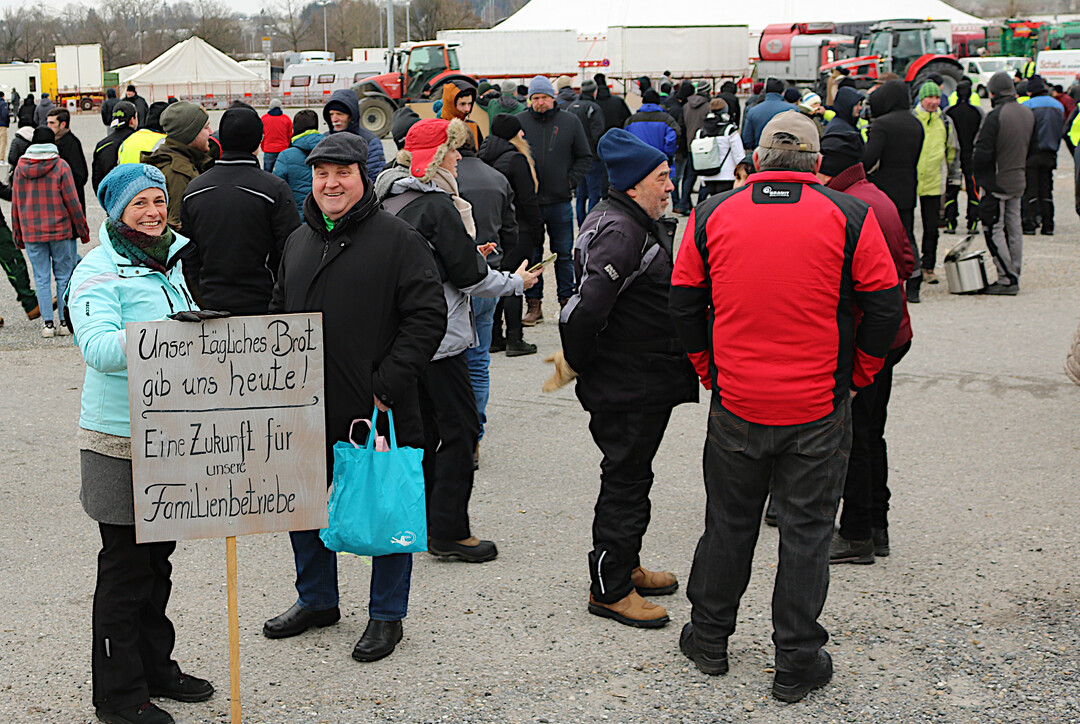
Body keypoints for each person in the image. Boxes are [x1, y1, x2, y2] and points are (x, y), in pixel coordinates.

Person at [669, 112, 902, 702]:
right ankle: (797, 657)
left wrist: (710, 371)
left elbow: (684, 305)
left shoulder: (711, 215)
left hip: (739, 402)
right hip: (817, 407)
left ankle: (711, 638)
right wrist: (858, 377)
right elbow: (884, 309)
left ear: (756, 159)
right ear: (817, 163)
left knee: (728, 523)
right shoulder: (851, 215)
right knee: (806, 531)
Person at [262, 132, 447, 664]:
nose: (330, 183)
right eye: (322, 173)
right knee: (303, 502)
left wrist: (388, 382)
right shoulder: (299, 240)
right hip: (305, 402)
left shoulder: (398, 238)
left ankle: (387, 616)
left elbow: (427, 314)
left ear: (363, 177)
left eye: (342, 172)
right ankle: (316, 600)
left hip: (376, 405)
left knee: (385, 503)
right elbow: (280, 310)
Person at [66, 164, 214, 724]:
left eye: (158, 200)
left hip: (170, 435)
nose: (153, 212)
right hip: (119, 440)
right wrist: (178, 334)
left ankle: (157, 667)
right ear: (116, 212)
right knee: (126, 570)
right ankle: (120, 696)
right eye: (139, 205)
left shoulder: (168, 260)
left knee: (158, 564)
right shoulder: (98, 270)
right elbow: (101, 349)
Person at [548, 127, 698, 629]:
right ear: (634, 185)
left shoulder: (628, 218)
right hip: (629, 382)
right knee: (626, 478)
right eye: (661, 178)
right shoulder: (622, 230)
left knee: (634, 473)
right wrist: (581, 363)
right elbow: (582, 313)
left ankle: (626, 563)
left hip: (642, 379)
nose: (670, 185)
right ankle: (609, 588)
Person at [373, 118, 538, 563]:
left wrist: (464, 254)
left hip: (400, 339)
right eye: (453, 150)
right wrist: (516, 281)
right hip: (439, 339)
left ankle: (421, 522)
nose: (459, 157)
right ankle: (450, 529)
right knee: (462, 430)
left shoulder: (386, 198)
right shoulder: (437, 204)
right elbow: (468, 278)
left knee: (420, 434)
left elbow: (426, 263)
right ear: (435, 158)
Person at [817, 132, 914, 565]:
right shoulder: (874, 195)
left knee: (853, 434)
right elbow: (909, 262)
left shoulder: (851, 206)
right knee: (871, 432)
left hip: (869, 334)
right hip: (890, 333)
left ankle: (857, 530)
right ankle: (875, 524)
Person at [180, 106, 300, 314]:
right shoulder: (274, 189)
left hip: (209, 304)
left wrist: (200, 296)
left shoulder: (194, 190)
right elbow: (290, 254)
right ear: (260, 141)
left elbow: (188, 253)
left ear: (220, 139)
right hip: (262, 304)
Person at [457, 137, 521, 460]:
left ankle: (455, 435)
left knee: (450, 361)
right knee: (480, 360)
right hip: (488, 275)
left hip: (455, 282)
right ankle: (476, 436)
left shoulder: (446, 178)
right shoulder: (497, 178)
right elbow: (511, 230)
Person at [518, 75, 592, 325]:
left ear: (553, 98)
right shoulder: (520, 123)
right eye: (535, 98)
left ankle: (566, 303)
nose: (540, 102)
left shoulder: (570, 122)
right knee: (533, 255)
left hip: (560, 201)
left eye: (544, 98)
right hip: (531, 204)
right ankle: (534, 304)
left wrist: (570, 181)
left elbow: (584, 156)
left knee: (564, 254)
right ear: (530, 100)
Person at [11, 127, 90, 337]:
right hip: (60, 230)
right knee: (64, 275)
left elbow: (16, 204)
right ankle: (64, 322)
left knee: (41, 277)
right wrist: (82, 229)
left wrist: (18, 235)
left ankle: (47, 324)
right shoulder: (61, 166)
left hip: (31, 232)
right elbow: (72, 201)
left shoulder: (20, 167)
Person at [478, 114, 542, 357]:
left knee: (498, 278)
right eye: (519, 131)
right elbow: (528, 200)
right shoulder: (516, 159)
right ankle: (516, 338)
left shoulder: (485, 156)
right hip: (520, 228)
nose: (523, 135)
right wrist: (538, 231)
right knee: (516, 281)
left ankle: (495, 336)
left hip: (496, 227)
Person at [974, 71, 1035, 296]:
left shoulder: (995, 116)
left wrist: (980, 178)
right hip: (1018, 178)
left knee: (993, 228)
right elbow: (1033, 147)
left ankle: (1006, 277)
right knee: (1014, 227)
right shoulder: (1027, 113)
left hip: (997, 182)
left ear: (993, 93)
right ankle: (1014, 272)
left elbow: (982, 153)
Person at [864, 79, 924, 302]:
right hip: (909, 183)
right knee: (907, 233)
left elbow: (869, 158)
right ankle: (915, 279)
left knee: (883, 235)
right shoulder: (915, 123)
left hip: (884, 187)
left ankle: (888, 279)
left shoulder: (882, 125)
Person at [912, 81, 959, 287]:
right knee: (905, 226)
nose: (933, 102)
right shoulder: (912, 119)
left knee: (932, 227)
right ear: (921, 99)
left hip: (934, 181)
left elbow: (952, 150)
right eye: (929, 97)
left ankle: (928, 266)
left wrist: (952, 176)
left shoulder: (945, 121)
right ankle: (910, 266)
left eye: (937, 98)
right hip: (911, 179)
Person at [141, 101, 213, 231]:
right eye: (206, 127)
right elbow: (175, 227)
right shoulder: (179, 173)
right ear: (190, 133)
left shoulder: (182, 161)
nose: (211, 132)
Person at [1021, 75, 1064, 236]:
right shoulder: (1058, 106)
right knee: (1046, 189)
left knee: (1031, 189)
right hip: (1050, 153)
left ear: (1031, 90)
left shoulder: (1027, 105)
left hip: (1032, 153)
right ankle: (1048, 225)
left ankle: (1030, 224)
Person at [945, 79, 984, 235]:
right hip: (971, 154)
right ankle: (972, 222)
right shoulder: (978, 112)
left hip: (953, 153)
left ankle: (950, 222)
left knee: (951, 187)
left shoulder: (948, 112)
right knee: (973, 188)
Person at [323, 89, 385, 182]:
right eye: (331, 114)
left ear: (351, 116)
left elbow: (375, 177)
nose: (334, 119)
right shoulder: (324, 140)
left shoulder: (370, 141)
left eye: (340, 114)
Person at [273, 109, 324, 220]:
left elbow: (276, 189)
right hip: (326, 217)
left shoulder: (286, 156)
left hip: (297, 218)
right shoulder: (329, 149)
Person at [567, 79, 606, 223]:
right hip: (592, 157)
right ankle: (592, 222)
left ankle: (581, 221)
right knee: (594, 192)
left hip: (575, 157)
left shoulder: (571, 107)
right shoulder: (593, 108)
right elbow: (598, 133)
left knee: (580, 193)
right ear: (594, 91)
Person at [694, 99, 744, 200]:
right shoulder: (729, 130)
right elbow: (738, 154)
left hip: (707, 175)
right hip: (727, 175)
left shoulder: (701, 132)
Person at [624, 89, 679, 181]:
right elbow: (672, 137)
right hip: (659, 160)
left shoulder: (631, 120)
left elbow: (625, 140)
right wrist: (668, 153)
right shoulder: (667, 119)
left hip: (638, 162)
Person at [675, 85, 710, 214]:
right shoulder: (708, 106)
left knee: (689, 177)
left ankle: (683, 203)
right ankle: (701, 205)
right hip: (706, 145)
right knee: (706, 176)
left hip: (691, 145)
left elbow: (681, 126)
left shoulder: (686, 106)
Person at [46, 108, 89, 212]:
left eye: (52, 123)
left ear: (63, 124)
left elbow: (81, 175)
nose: (48, 126)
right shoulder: (50, 142)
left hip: (70, 202)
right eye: (47, 123)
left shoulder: (71, 143)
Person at [92, 101, 138, 194]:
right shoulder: (138, 141)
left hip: (111, 198)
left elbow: (96, 179)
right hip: (135, 198)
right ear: (132, 120)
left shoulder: (102, 145)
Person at [741, 78, 796, 149]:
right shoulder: (792, 109)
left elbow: (747, 140)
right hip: (785, 153)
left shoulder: (752, 111)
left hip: (761, 152)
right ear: (782, 92)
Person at [440, 79, 484, 149]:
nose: (467, 109)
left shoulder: (473, 126)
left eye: (470, 104)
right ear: (450, 104)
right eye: (462, 104)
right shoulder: (439, 127)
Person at [260, 98, 292, 172]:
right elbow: (290, 135)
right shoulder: (286, 119)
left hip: (269, 149)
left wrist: (263, 146)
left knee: (267, 173)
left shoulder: (264, 119)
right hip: (283, 149)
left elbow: (260, 135)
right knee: (282, 171)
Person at [0, 90, 9, 156]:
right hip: (2, 124)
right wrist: (7, 123)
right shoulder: (3, 103)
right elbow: (4, 114)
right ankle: (1, 158)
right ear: (3, 96)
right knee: (3, 142)